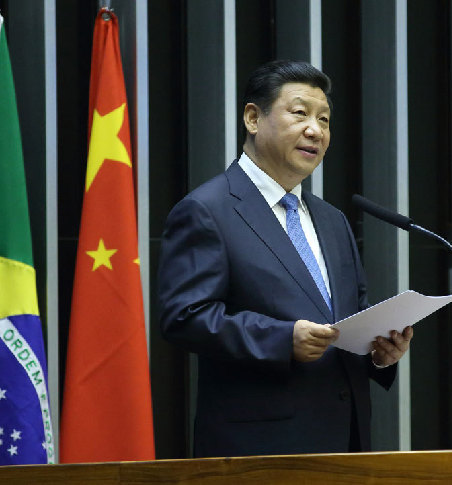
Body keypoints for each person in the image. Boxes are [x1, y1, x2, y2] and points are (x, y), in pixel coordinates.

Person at [157, 60, 413, 458]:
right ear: (253, 118)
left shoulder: (332, 220)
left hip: (346, 445)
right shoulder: (207, 210)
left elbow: (350, 315)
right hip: (259, 450)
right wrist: (282, 339)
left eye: (324, 119)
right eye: (300, 113)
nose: (315, 130)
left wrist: (379, 353)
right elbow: (184, 317)